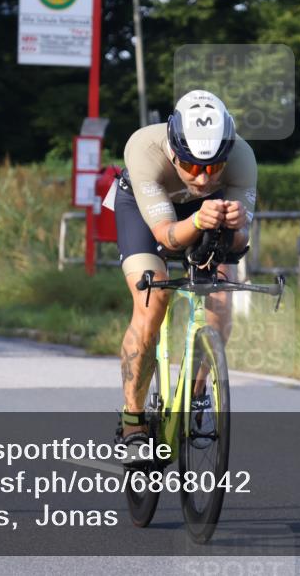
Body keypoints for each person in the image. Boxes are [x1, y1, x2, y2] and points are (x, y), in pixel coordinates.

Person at [112, 89, 256, 457]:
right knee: (152, 298)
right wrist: (194, 219)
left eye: (213, 167)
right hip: (145, 210)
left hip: (206, 212)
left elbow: (239, 243)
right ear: (174, 151)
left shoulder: (241, 156)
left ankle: (197, 390)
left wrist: (239, 226)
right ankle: (132, 420)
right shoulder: (144, 148)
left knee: (221, 300)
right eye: (192, 166)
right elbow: (166, 238)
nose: (204, 178)